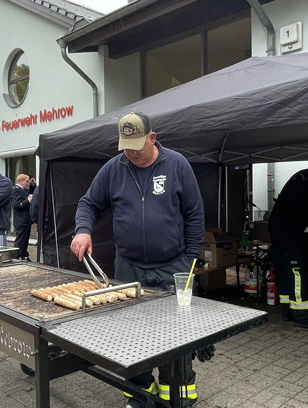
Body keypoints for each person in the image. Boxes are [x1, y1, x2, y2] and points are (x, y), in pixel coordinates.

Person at [70, 112, 211, 408]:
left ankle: (177, 392)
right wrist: (83, 230)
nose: (131, 153)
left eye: (137, 146)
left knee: (176, 334)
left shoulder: (177, 165)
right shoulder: (114, 168)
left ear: (152, 138)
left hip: (173, 265)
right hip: (128, 266)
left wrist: (189, 261)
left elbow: (195, 214)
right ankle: (139, 393)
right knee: (132, 334)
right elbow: (88, 203)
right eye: (126, 147)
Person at [268, 163, 308, 330]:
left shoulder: (305, 175)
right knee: (298, 272)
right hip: (288, 230)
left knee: (285, 270)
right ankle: (302, 316)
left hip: (281, 228)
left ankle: (288, 310)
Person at [11, 173, 36, 260]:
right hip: (20, 219)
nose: (28, 183)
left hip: (26, 219)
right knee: (20, 240)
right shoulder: (15, 190)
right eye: (27, 181)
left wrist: (33, 185)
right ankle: (17, 256)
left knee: (25, 239)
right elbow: (16, 204)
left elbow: (30, 193)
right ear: (21, 181)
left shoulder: (22, 189)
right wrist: (27, 201)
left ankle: (24, 255)